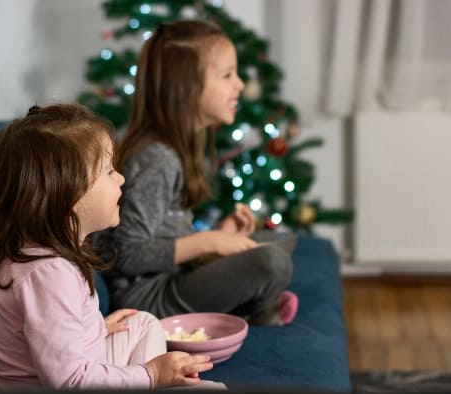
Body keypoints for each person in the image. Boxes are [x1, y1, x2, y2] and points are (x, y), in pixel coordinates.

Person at [0, 104, 224, 390]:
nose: (121, 178)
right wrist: (151, 375)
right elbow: (71, 381)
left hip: (77, 374)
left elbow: (51, 334)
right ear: (69, 194)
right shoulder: (47, 274)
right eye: (110, 171)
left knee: (143, 323)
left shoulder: (39, 255)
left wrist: (94, 329)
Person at [89, 20, 298, 326]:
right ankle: (251, 311)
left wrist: (222, 235)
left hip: (172, 276)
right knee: (271, 262)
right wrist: (209, 242)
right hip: (146, 298)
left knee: (279, 240)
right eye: (227, 75)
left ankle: (247, 305)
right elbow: (127, 253)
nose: (239, 84)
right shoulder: (155, 157)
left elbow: (165, 234)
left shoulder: (178, 146)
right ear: (186, 87)